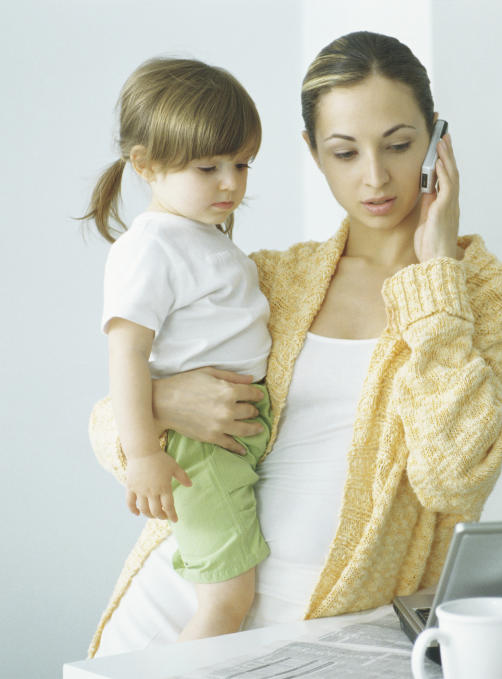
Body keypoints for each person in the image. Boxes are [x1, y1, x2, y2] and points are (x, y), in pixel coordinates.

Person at [86, 31, 502, 658]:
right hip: (184, 602)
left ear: (439, 141)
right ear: (313, 153)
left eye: (400, 145)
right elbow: (109, 425)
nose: (375, 177)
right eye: (344, 153)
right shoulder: (273, 277)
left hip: (333, 630)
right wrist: (166, 403)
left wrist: (435, 278)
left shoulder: (490, 292)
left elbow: (453, 478)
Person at [82, 57, 273, 642]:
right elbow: (127, 354)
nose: (231, 183)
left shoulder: (201, 235)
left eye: (242, 164)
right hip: (201, 450)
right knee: (227, 601)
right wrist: (142, 454)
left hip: (231, 437)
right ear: (146, 165)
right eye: (207, 167)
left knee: (232, 594)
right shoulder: (150, 246)